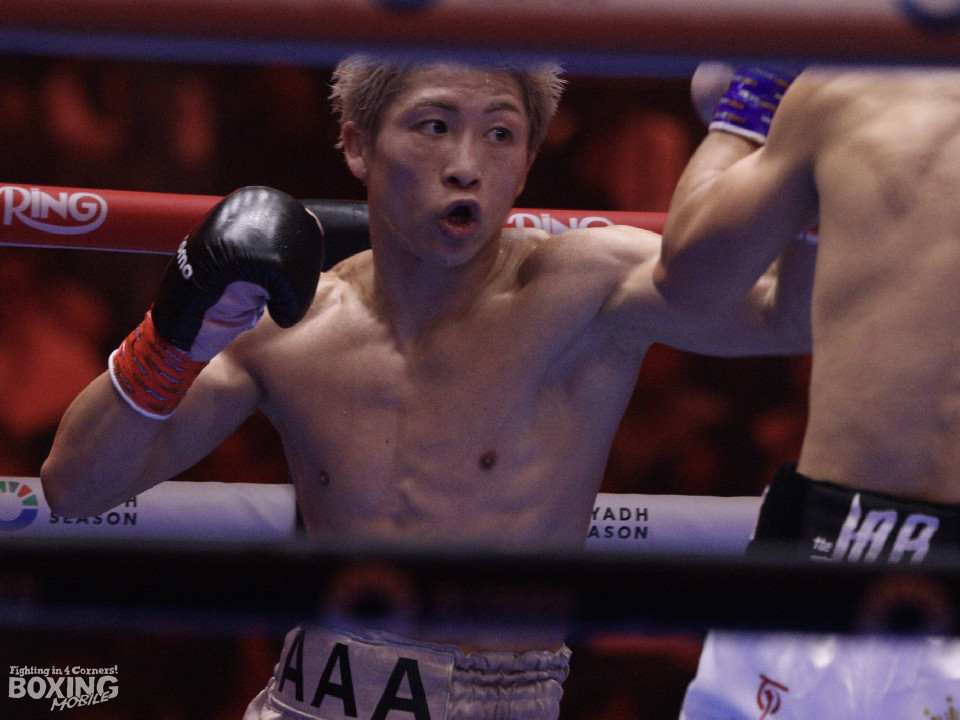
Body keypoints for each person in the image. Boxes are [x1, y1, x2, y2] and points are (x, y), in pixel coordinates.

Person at [40, 55, 815, 720]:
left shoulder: (584, 290)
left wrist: (795, 141)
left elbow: (791, 315)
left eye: (500, 134)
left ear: (528, 160)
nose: (466, 164)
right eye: (435, 126)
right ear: (357, 144)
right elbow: (75, 485)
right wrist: (175, 332)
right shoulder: (291, 325)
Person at [656, 64, 960, 718]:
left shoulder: (847, 91)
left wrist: (752, 102)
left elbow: (691, 279)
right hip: (830, 545)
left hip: (832, 548)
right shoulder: (845, 89)